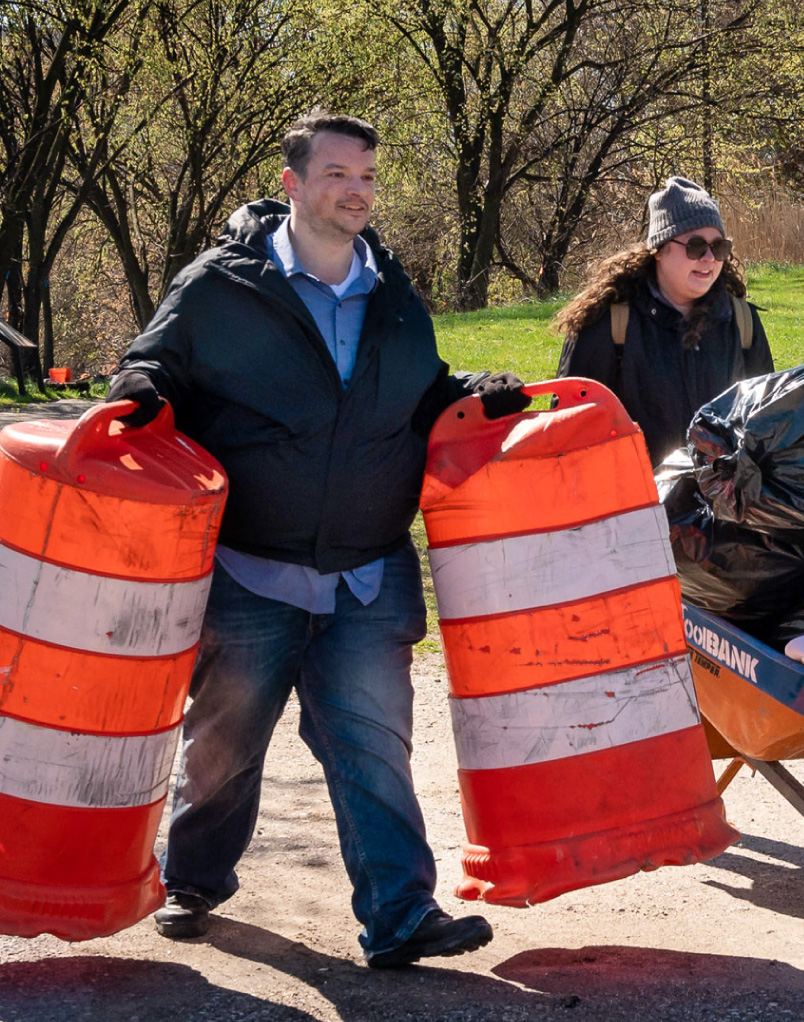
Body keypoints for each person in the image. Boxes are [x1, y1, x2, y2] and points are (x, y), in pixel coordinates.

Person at [105, 108, 529, 967]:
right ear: (294, 183)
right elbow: (149, 362)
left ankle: (400, 913)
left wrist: (471, 392)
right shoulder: (222, 285)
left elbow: (418, 390)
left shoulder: (393, 290)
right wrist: (142, 388)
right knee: (223, 747)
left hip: (367, 572)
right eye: (338, 175)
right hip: (249, 570)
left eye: (368, 177)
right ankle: (193, 878)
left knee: (374, 747)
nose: (357, 191)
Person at [554, 176, 774, 467]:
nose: (709, 258)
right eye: (695, 247)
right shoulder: (608, 322)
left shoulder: (741, 321)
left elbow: (767, 422)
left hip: (722, 503)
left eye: (718, 247)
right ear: (659, 249)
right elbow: (567, 429)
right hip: (635, 503)